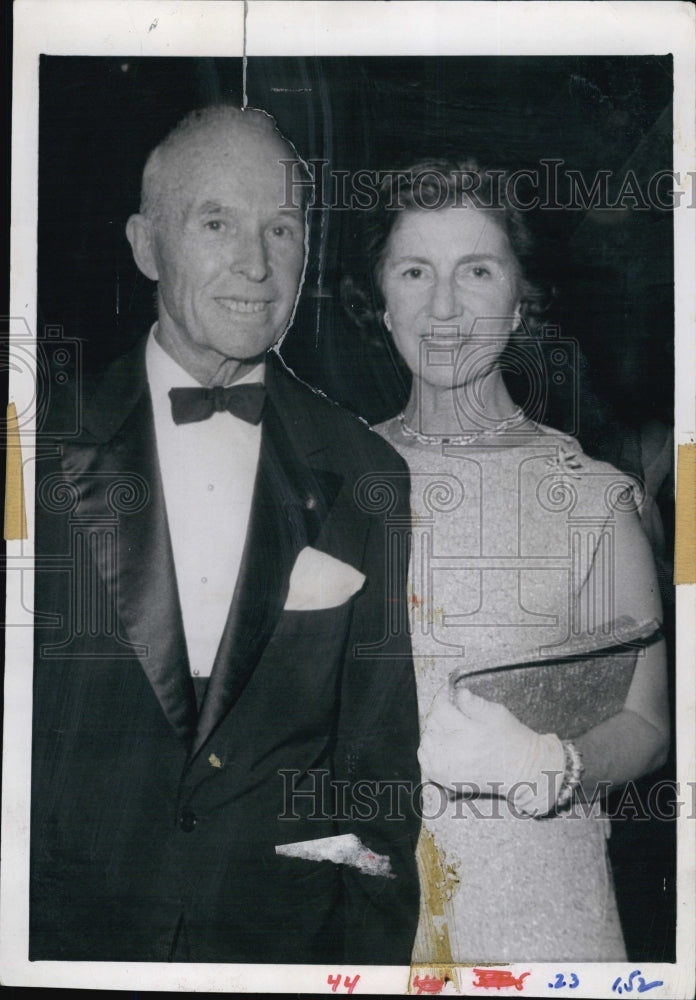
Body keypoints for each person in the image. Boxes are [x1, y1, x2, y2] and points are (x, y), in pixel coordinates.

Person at [30, 105, 420, 964]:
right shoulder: (31, 448)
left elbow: (377, 773)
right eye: (217, 223)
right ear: (145, 245)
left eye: (281, 228)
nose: (256, 263)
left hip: (279, 944)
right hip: (65, 939)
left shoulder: (367, 474)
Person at [353, 158, 669, 962]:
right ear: (382, 300)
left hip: (541, 915)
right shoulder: (332, 477)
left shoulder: (592, 497)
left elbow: (646, 725)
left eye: (478, 270)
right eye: (415, 270)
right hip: (367, 912)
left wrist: (551, 765)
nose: (445, 306)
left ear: (522, 298)